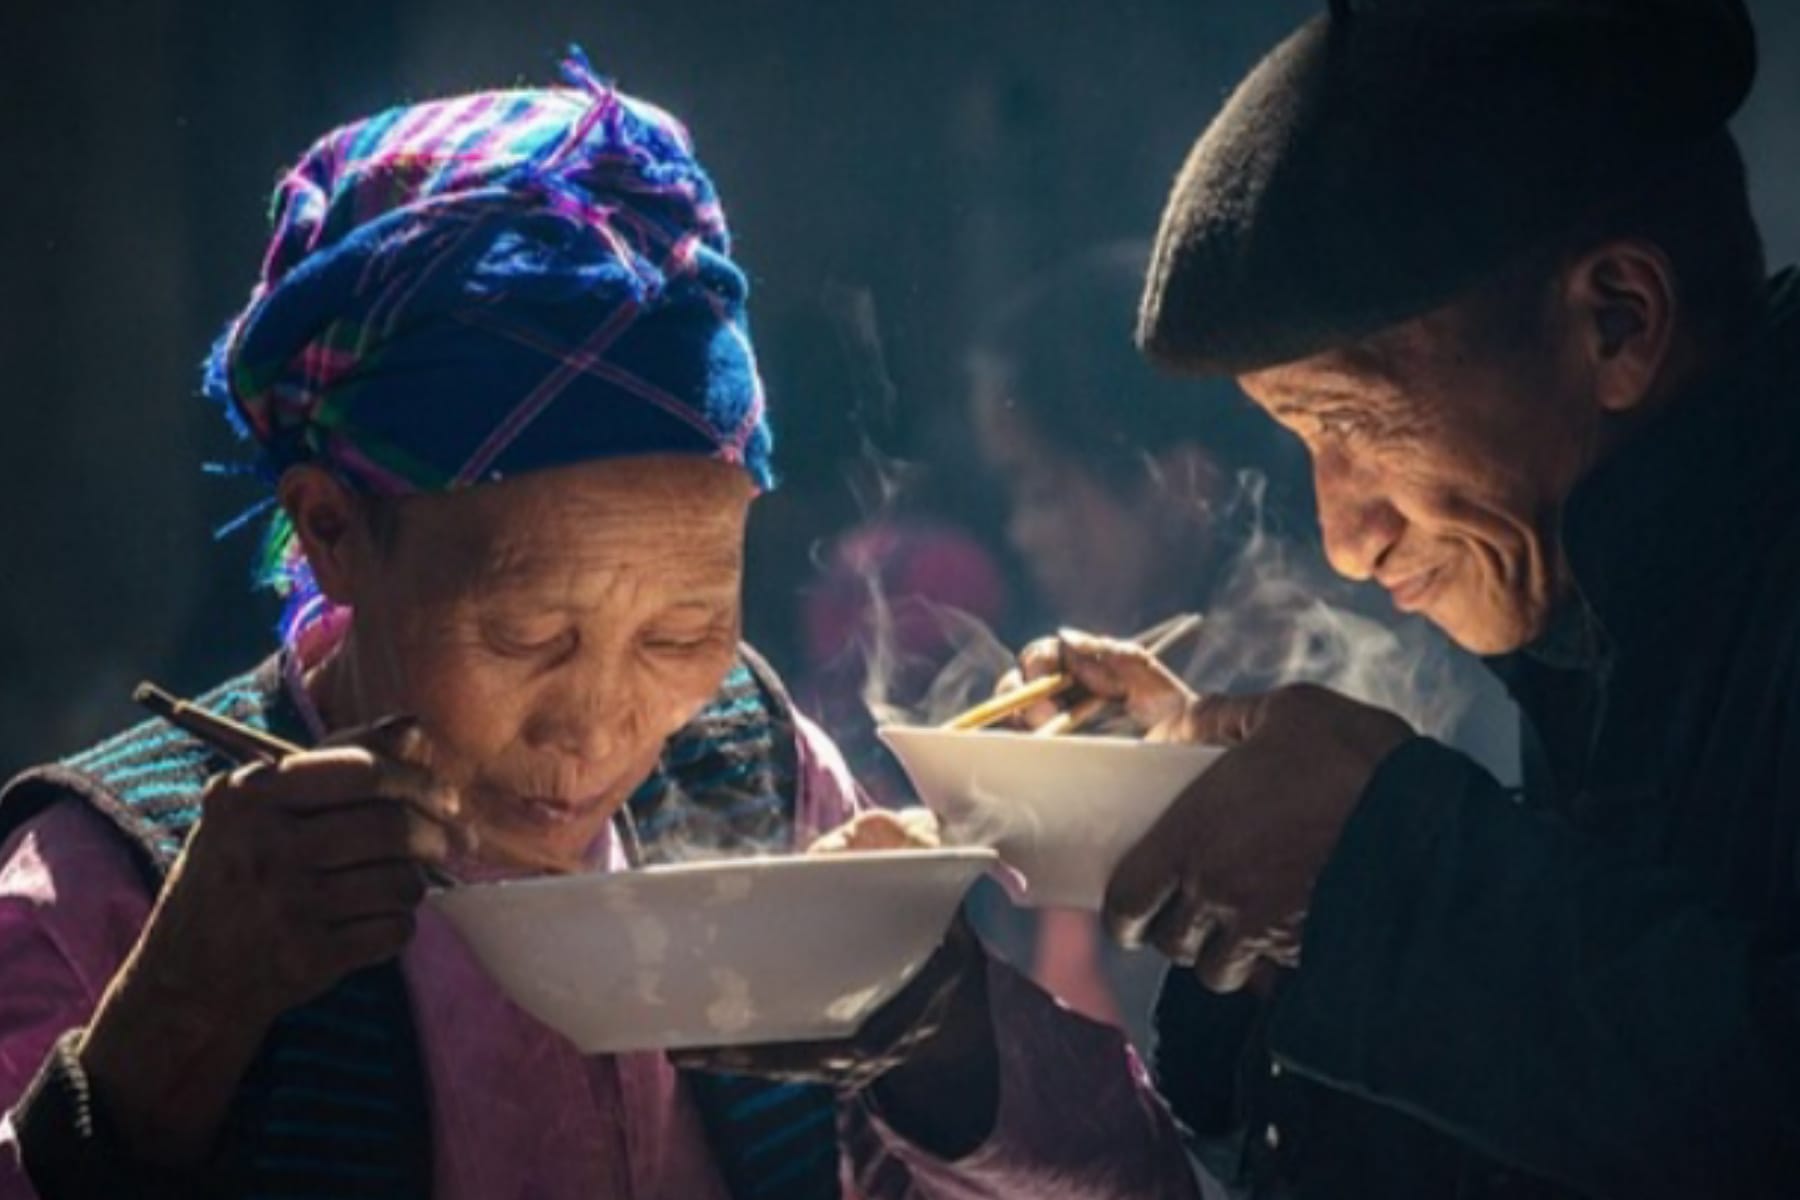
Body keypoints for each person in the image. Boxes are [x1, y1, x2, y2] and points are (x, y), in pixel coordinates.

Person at [0, 56, 1202, 1200]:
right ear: (332, 529)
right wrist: (165, 1039)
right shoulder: (115, 883)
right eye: (527, 637)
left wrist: (935, 1028)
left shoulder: (762, 783)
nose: (603, 727)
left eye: (683, 632)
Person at [1011, 1, 1800, 1196]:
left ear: (1617, 321)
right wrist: (1277, 926)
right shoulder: (1608, 623)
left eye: (1359, 426)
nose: (1344, 540)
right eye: (1304, 441)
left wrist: (1371, 874)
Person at [972, 242, 1513, 1050]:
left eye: (1045, 490)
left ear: (1182, 483)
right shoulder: (1180, 691)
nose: (1021, 533)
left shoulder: (1323, 680)